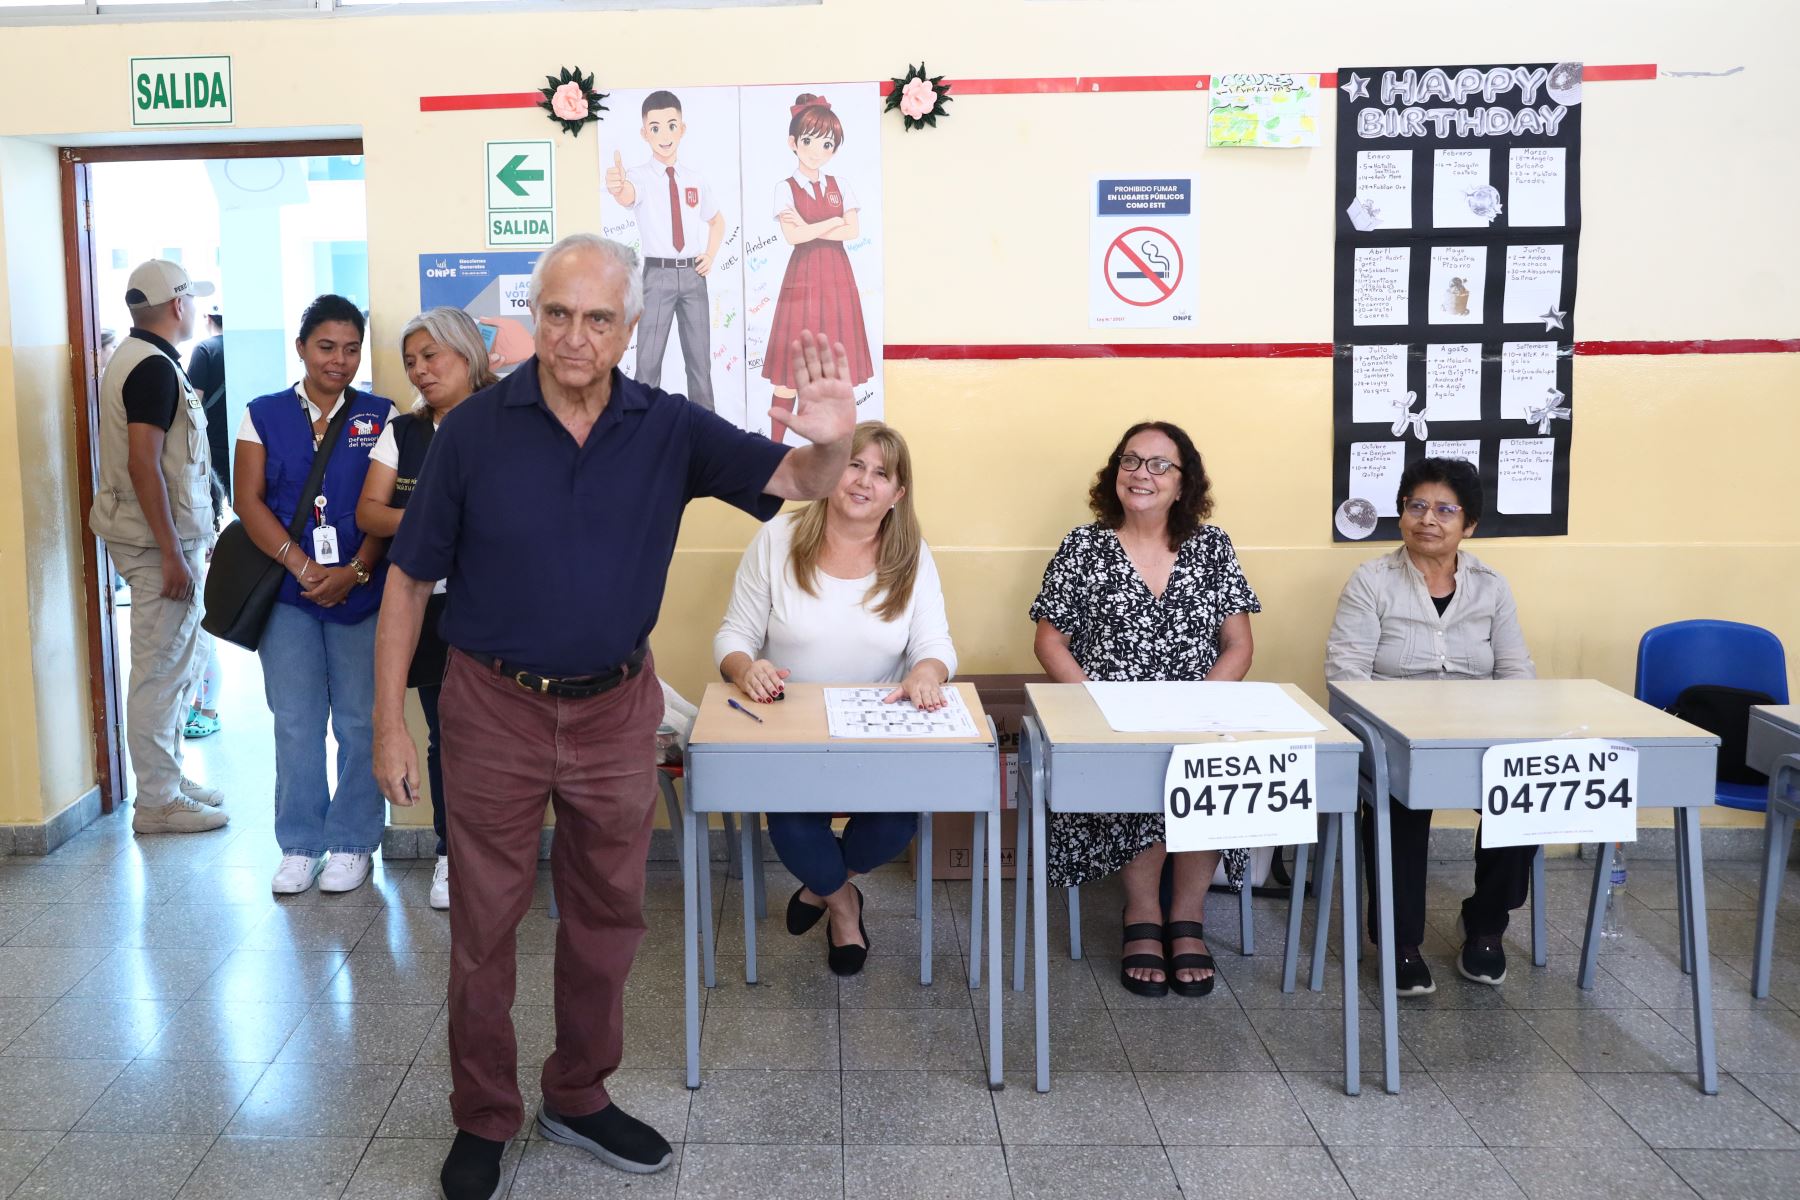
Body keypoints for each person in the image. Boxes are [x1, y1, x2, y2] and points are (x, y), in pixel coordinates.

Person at [372, 233, 856, 1199]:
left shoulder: (668, 427)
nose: (575, 337)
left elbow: (803, 481)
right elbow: (409, 580)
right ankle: (484, 1114)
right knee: (484, 923)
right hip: (492, 706)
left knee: (608, 917)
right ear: (533, 316)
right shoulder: (474, 430)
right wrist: (390, 722)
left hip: (614, 711)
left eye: (599, 318)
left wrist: (833, 437)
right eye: (558, 314)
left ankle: (578, 1094)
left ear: (631, 327)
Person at [713, 420, 955, 976]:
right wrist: (746, 668)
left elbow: (936, 645)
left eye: (881, 473)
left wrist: (927, 671)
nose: (864, 481)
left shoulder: (912, 555)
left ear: (897, 494)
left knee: (894, 826)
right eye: (853, 464)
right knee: (794, 828)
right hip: (792, 732)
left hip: (879, 732)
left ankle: (820, 888)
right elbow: (733, 636)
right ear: (829, 473)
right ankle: (844, 906)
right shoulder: (776, 539)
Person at [1031, 421, 1259, 998]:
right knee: (1139, 764)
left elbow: (1238, 645)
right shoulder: (1083, 546)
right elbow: (1050, 642)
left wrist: (1198, 706)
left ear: (1183, 483)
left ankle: (1187, 917)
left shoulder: (1212, 547)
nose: (1142, 474)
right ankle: (1141, 913)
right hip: (1108, 715)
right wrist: (1098, 704)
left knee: (1206, 764)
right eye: (1130, 461)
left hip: (1200, 710)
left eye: (1160, 465)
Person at [1325, 456, 1536, 995]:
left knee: (1527, 795)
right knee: (1397, 804)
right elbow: (1347, 675)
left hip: (1478, 738)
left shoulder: (1491, 586)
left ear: (1470, 524)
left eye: (1445, 510)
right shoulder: (1371, 581)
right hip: (1394, 738)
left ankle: (1485, 925)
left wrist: (1510, 732)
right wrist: (1394, 736)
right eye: (1416, 505)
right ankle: (1400, 943)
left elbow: (1517, 673)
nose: (1427, 519)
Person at [234, 294, 394, 895]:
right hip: (287, 591)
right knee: (297, 722)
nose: (339, 360)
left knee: (359, 721)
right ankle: (300, 845)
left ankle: (353, 842)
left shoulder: (381, 415)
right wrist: (301, 566)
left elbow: (388, 505)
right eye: (326, 347)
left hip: (361, 590)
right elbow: (248, 500)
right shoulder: (263, 414)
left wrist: (355, 570)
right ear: (301, 347)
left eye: (351, 349)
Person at [357, 307, 498, 912]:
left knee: (505, 739)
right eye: (411, 361)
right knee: (446, 736)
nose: (419, 371)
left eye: (430, 356)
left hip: (498, 607)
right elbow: (369, 513)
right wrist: (438, 520)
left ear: (467, 353)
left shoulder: (508, 420)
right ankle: (449, 854)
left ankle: (498, 856)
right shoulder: (405, 432)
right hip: (431, 609)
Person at [88, 260, 228, 834]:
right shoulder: (151, 367)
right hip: (156, 546)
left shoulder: (145, 358)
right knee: (160, 669)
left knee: (177, 662)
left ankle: (167, 778)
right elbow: (143, 465)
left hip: (163, 538)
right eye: (192, 299)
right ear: (177, 304)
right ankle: (157, 801)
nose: (194, 309)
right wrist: (172, 552)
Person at [762, 93, 875, 441]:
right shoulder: (785, 188)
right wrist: (831, 222)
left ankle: (836, 448)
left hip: (837, 279)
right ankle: (775, 448)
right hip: (802, 279)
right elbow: (792, 237)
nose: (816, 151)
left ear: (834, 149)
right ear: (793, 142)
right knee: (787, 373)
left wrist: (811, 227)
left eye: (826, 144)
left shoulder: (841, 185)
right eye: (809, 140)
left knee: (838, 370)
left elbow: (852, 231)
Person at [605, 89, 724, 410]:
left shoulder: (695, 179)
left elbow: (717, 221)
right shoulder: (639, 177)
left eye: (671, 126)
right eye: (655, 128)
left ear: (682, 129)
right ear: (644, 134)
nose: (664, 135)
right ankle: (641, 427)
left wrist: (709, 255)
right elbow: (628, 194)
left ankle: (707, 429)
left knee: (700, 365)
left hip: (693, 276)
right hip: (657, 276)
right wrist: (618, 188)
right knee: (648, 364)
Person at [186, 307, 230, 502]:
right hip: (244, 441)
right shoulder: (242, 347)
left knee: (215, 504)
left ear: (207, 317)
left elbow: (193, 403)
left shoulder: (204, 349)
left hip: (213, 445)